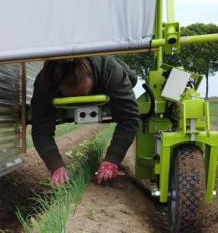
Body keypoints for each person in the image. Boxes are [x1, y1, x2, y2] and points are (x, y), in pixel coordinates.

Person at [30, 56, 140, 186]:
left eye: (83, 94)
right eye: (71, 96)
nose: (81, 101)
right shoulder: (44, 83)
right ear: (58, 88)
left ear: (92, 76)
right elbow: (41, 131)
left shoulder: (111, 71)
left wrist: (112, 160)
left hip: (113, 85)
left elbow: (129, 119)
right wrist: (55, 166)